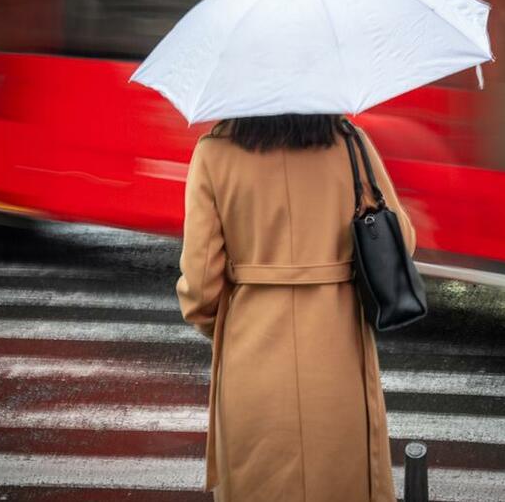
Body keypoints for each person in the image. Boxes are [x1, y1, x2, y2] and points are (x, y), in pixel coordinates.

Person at [176, 113, 416, 502]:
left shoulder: (213, 152)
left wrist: (224, 326)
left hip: (251, 354)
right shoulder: (351, 144)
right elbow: (400, 242)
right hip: (338, 350)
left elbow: (201, 284)